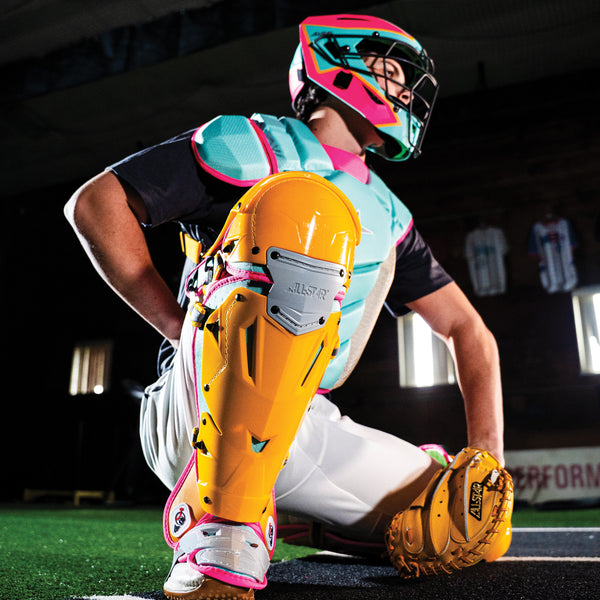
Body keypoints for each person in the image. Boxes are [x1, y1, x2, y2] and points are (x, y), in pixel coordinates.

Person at [65, 13, 507, 600]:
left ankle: (297, 513)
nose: (405, 91)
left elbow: (468, 329)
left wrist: (488, 459)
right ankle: (220, 534)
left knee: (470, 520)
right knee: (303, 209)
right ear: (337, 66)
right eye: (391, 72)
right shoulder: (252, 144)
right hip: (199, 408)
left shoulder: (388, 213)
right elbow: (95, 203)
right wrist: (178, 327)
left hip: (301, 422)